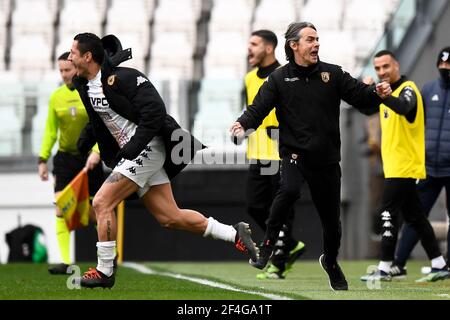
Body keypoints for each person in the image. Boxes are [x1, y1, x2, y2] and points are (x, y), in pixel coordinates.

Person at [68, 33, 258, 289]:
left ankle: (104, 270)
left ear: (87, 56)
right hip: (136, 154)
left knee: (102, 202)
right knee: (169, 217)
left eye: (72, 54)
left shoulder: (124, 78)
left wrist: (134, 146)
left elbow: (155, 112)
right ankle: (234, 233)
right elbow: (100, 119)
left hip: (147, 147)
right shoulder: (85, 86)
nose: (70, 58)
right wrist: (85, 139)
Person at [230, 22, 392, 291]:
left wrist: (376, 93)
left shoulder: (333, 74)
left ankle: (330, 261)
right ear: (294, 45)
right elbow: (256, 110)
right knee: (288, 192)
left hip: (327, 160)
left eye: (317, 39)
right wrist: (241, 124)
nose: (316, 44)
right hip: (294, 155)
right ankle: (267, 249)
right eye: (310, 40)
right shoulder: (279, 79)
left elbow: (361, 98)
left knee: (332, 224)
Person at [360, 50, 449, 282]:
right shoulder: (385, 92)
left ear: (396, 65)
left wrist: (383, 94)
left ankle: (385, 266)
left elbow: (404, 106)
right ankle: (440, 264)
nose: (382, 72)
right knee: (416, 217)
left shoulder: (409, 88)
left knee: (388, 212)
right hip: (394, 166)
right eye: (377, 68)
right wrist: (367, 90)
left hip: (405, 166)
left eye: (386, 67)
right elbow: (366, 108)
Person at [242, 30, 305, 280]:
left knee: (281, 210)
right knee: (255, 206)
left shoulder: (286, 75)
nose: (249, 49)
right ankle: (289, 246)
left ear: (269, 48)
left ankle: (278, 264)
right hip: (258, 154)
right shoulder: (249, 78)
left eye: (254, 44)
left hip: (282, 154)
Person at [38, 52, 105, 275]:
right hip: (66, 159)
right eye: (61, 71)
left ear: (77, 68)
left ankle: (107, 259)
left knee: (96, 209)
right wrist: (42, 159)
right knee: (61, 207)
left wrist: (97, 151)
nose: (64, 75)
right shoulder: (56, 97)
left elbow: (103, 125)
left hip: (90, 158)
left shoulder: (91, 92)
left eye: (68, 70)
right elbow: (50, 131)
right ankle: (67, 263)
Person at [394, 47, 450, 274]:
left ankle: (446, 265)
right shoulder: (427, 90)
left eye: (449, 65)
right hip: (428, 166)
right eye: (442, 64)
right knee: (415, 216)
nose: (445, 68)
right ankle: (398, 263)